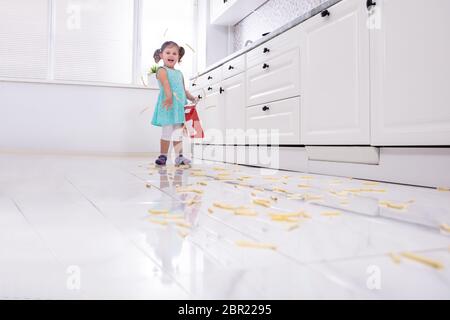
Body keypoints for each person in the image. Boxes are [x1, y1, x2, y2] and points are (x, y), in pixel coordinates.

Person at [151, 41, 197, 167]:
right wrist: (169, 97)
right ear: (161, 55)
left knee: (178, 133)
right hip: (168, 105)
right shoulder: (161, 70)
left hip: (179, 107)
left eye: (174, 53)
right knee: (167, 132)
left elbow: (183, 89)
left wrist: (192, 98)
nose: (171, 55)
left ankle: (179, 157)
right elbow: (166, 84)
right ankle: (163, 156)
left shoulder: (179, 73)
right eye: (168, 52)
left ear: (178, 57)